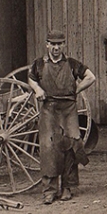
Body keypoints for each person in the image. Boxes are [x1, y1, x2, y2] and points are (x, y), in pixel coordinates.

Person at [28, 30, 96, 204]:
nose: (56, 47)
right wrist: (37, 89)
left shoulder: (73, 64)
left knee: (71, 146)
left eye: (60, 44)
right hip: (48, 109)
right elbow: (31, 79)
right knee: (48, 148)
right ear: (47, 44)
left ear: (64, 45)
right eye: (53, 44)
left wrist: (76, 90)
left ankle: (67, 187)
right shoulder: (39, 64)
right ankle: (49, 190)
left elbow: (91, 77)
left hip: (68, 109)